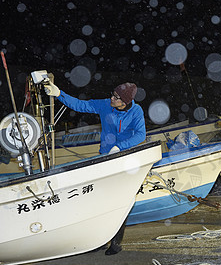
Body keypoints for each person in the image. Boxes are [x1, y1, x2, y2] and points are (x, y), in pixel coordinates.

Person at [44, 81, 146, 255]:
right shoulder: (106, 105)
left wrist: (120, 147)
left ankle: (115, 242)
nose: (111, 98)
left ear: (125, 102)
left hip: (126, 160)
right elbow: (82, 105)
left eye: (116, 97)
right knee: (100, 200)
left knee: (121, 200)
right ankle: (98, 240)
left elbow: (141, 134)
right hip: (105, 159)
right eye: (112, 94)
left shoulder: (136, 112)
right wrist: (59, 92)